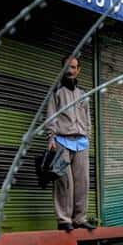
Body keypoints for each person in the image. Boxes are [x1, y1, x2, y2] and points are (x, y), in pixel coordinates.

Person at [45, 56, 95, 232]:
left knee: (82, 182)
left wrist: (88, 136)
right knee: (64, 183)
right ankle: (63, 219)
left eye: (74, 67)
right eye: (67, 67)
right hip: (62, 141)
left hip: (81, 142)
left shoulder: (83, 94)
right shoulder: (56, 92)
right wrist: (51, 138)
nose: (70, 70)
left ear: (78, 70)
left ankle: (79, 218)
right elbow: (51, 117)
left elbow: (88, 119)